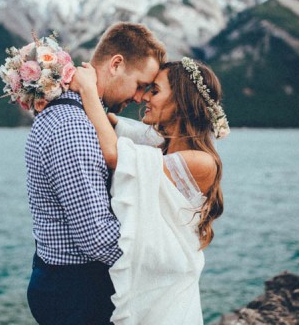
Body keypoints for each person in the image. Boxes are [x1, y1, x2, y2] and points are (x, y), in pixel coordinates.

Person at [25, 22, 167, 324]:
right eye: (141, 84)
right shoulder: (74, 127)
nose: (141, 97)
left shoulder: (83, 117)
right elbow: (96, 236)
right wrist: (163, 256)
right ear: (116, 64)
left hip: (66, 284)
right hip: (77, 292)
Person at [70, 57, 228, 324]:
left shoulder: (201, 161)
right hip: (157, 282)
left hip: (170, 295)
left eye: (154, 91)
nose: (144, 97)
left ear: (180, 101)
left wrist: (87, 90)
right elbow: (117, 126)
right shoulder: (163, 145)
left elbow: (114, 154)